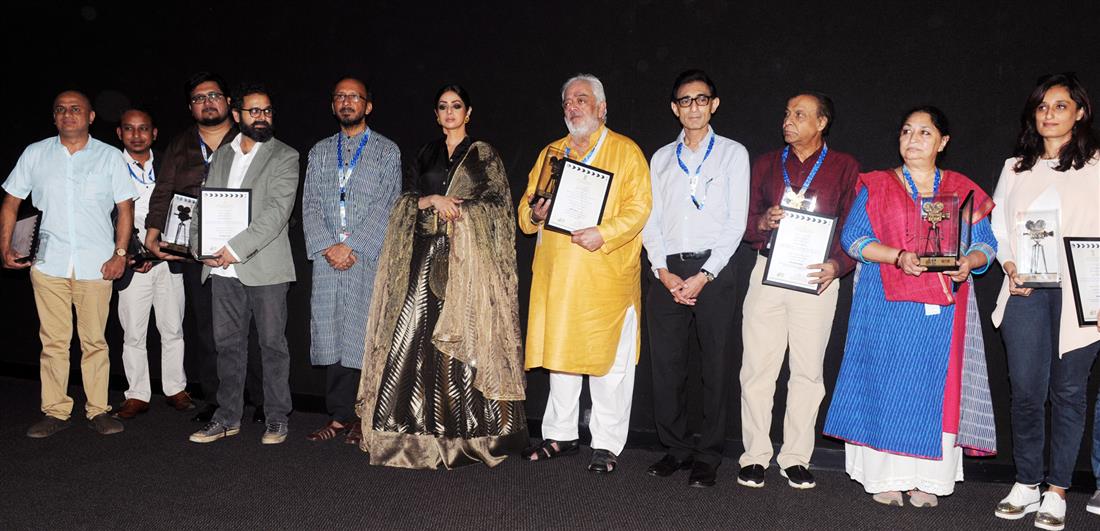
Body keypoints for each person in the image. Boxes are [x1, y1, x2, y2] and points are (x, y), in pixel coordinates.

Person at [823, 106, 998, 508]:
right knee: (884, 385)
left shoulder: (961, 188)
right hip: (884, 306)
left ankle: (927, 480)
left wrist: (967, 263)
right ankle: (883, 475)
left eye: (924, 132)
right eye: (906, 131)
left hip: (940, 312)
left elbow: (986, 243)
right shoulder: (877, 184)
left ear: (943, 142)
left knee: (931, 389)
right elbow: (854, 240)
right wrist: (897, 255)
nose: (913, 139)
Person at [355, 83, 527, 468]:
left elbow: (499, 206)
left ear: (469, 112)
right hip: (425, 259)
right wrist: (431, 200)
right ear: (436, 115)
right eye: (443, 107)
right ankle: (411, 437)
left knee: (462, 341)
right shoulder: (426, 152)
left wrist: (463, 211)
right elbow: (405, 201)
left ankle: (469, 440)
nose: (450, 112)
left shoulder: (483, 155)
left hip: (468, 267)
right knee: (413, 339)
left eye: (457, 106)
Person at [519, 74, 652, 474]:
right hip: (557, 276)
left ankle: (607, 443)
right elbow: (527, 210)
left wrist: (603, 232)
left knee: (607, 361)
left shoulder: (625, 152)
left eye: (582, 99)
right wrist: (535, 213)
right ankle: (560, 434)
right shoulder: (552, 153)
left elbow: (639, 208)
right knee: (561, 358)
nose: (573, 107)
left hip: (604, 277)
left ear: (602, 107)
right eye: (568, 102)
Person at [989, 73, 1100, 531]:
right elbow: (999, 227)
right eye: (1042, 106)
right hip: (1026, 291)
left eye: (1060, 105)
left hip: (1083, 296)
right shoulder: (1015, 167)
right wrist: (1011, 265)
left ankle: (1057, 490)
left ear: (1080, 112)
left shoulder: (1096, 165)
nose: (1050, 114)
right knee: (1027, 393)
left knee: (1070, 394)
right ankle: (1027, 482)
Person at [738, 91, 860, 489]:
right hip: (768, 273)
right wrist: (762, 222)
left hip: (816, 278)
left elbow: (853, 227)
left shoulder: (844, 166)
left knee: (807, 373)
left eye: (800, 114)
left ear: (822, 123)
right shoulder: (766, 163)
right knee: (757, 368)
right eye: (787, 112)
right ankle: (755, 455)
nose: (788, 120)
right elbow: (744, 222)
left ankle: (794, 457)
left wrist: (838, 265)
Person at [0, 90, 137, 437]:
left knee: (95, 342)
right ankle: (55, 411)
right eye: (60, 109)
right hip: (49, 265)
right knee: (54, 342)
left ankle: (98, 410)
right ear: (54, 116)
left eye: (76, 109)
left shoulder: (109, 157)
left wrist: (119, 255)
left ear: (91, 117)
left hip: (96, 265)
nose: (68, 114)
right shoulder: (35, 153)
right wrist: (6, 247)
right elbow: (10, 201)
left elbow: (125, 208)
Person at [641, 69, 749, 487]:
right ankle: (677, 447)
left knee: (715, 364)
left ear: (714, 104)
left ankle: (708, 455)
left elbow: (735, 222)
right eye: (685, 101)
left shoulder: (733, 154)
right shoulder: (661, 158)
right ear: (674, 108)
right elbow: (652, 222)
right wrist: (663, 272)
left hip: (715, 272)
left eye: (701, 99)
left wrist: (704, 275)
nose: (693, 108)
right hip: (668, 270)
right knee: (667, 366)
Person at [144, 72, 265, 423]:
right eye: (199, 98)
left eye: (214, 95)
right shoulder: (180, 144)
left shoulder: (250, 139)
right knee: (208, 329)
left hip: (245, 248)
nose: (207, 102)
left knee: (254, 327)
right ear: (190, 107)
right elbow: (163, 189)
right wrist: (154, 231)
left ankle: (258, 399)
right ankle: (216, 399)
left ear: (229, 102)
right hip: (196, 249)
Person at [187, 83, 299, 445]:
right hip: (221, 269)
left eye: (267, 111)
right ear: (237, 115)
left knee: (272, 345)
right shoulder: (222, 155)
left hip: (264, 266)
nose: (262, 117)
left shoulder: (285, 156)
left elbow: (276, 214)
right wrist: (198, 247)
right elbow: (205, 204)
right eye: (254, 111)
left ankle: (277, 417)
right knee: (228, 346)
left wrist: (233, 249)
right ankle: (227, 417)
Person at [302, 77, 400, 445]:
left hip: (366, 257)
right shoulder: (320, 151)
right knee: (334, 334)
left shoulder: (386, 151)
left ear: (368, 106)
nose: (346, 102)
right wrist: (329, 245)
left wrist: (354, 246)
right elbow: (309, 202)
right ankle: (340, 416)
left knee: (365, 334)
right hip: (329, 257)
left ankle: (367, 416)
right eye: (340, 96)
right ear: (333, 105)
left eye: (354, 97)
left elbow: (388, 204)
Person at [112, 109, 193, 419]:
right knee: (133, 333)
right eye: (129, 129)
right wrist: (131, 256)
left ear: (154, 133)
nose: (136, 135)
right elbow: (106, 216)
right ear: (120, 133)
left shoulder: (169, 163)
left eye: (143, 128)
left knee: (173, 327)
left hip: (168, 259)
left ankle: (175, 388)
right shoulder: (110, 166)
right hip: (131, 262)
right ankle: (136, 394)